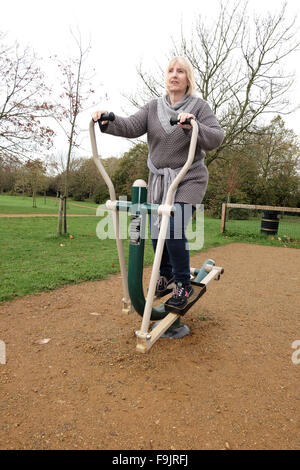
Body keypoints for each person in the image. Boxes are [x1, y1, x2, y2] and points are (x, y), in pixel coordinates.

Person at [92, 56, 224, 309]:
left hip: (189, 178)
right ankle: (167, 274)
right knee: (157, 230)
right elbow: (131, 125)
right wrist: (108, 120)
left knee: (173, 228)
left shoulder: (199, 106)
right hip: (160, 181)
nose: (174, 75)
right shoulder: (153, 107)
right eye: (171, 71)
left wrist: (193, 125)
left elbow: (216, 137)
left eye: (181, 72)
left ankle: (183, 285)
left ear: (188, 79)